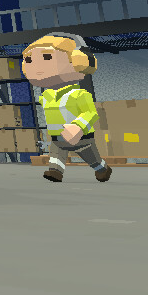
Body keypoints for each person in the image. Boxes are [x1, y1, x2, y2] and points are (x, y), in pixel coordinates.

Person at [22, 32, 111, 183]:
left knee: (93, 160)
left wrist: (78, 126)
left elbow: (91, 113)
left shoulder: (79, 94)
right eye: (29, 60)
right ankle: (55, 172)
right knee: (56, 158)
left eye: (47, 57)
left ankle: (102, 169)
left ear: (78, 62)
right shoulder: (46, 96)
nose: (36, 67)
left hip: (82, 139)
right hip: (57, 138)